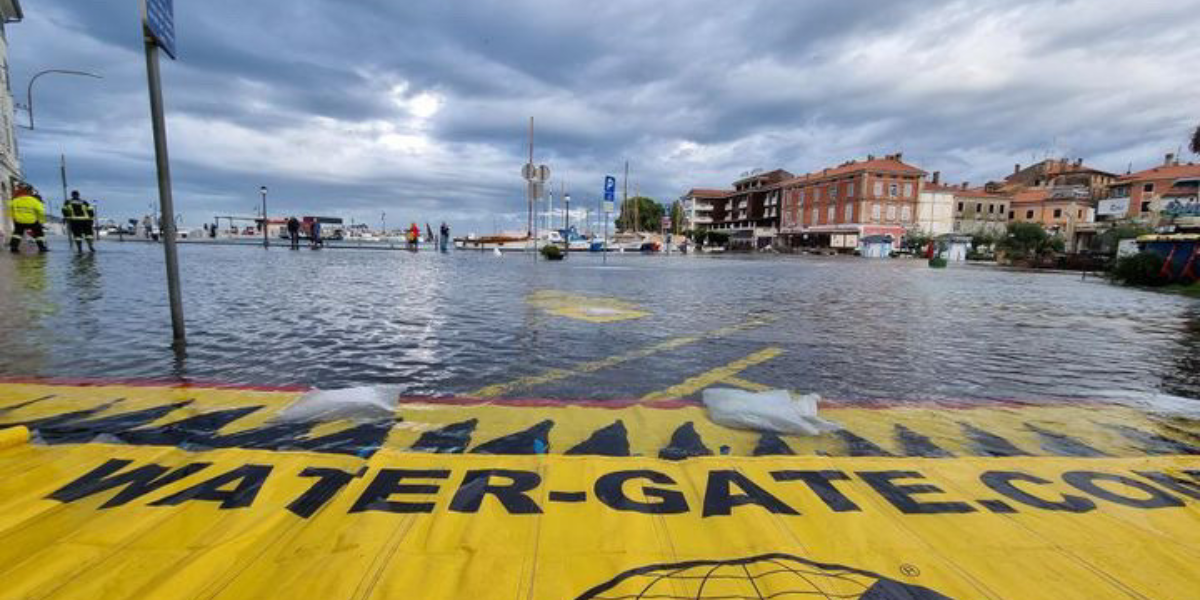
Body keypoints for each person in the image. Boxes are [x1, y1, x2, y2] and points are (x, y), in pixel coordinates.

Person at [7, 185, 48, 253]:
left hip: (19, 221)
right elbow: (41, 211)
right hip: (32, 221)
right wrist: (41, 221)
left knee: (17, 233)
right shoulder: (34, 201)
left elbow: (9, 208)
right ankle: (42, 248)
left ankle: (14, 248)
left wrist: (13, 218)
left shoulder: (15, 200)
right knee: (39, 233)